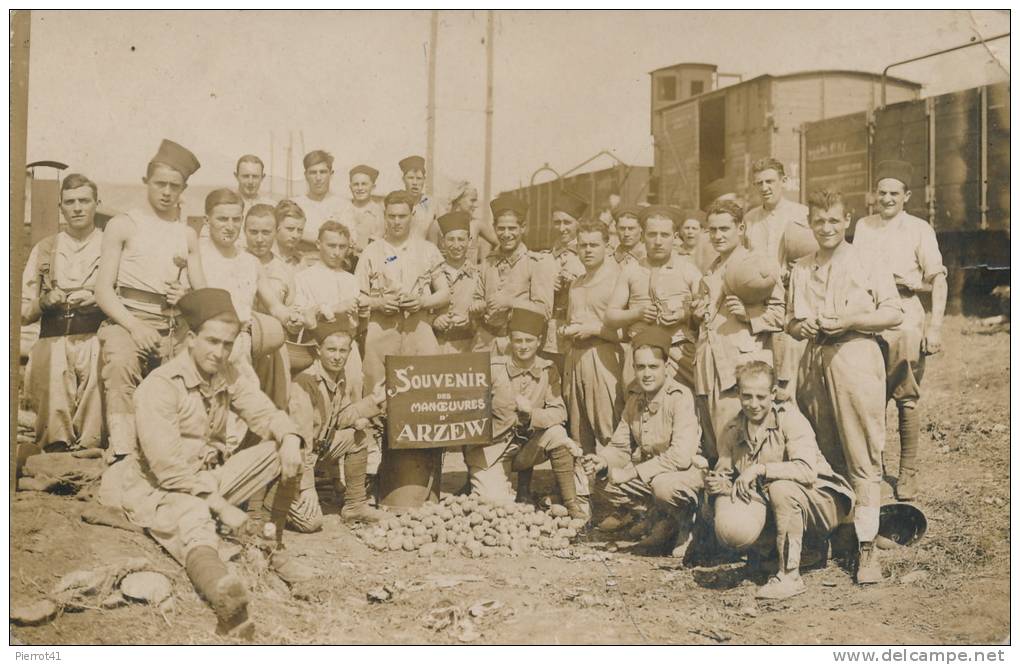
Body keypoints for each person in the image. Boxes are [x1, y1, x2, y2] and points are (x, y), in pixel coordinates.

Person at [119, 288, 305, 637]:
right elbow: (169, 470)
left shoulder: (227, 374)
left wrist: (290, 437)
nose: (220, 352)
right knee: (194, 515)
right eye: (212, 341)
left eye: (228, 344)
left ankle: (271, 540)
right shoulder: (159, 386)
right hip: (162, 489)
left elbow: (263, 412)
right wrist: (221, 507)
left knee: (281, 449)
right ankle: (223, 596)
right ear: (191, 339)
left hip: (209, 478)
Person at [787, 189, 903, 584]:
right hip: (814, 361)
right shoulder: (801, 267)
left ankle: (867, 548)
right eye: (819, 221)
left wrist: (853, 319)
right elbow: (791, 319)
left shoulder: (867, 260)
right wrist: (798, 326)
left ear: (847, 220)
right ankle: (835, 535)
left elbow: (892, 312)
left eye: (834, 220)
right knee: (824, 451)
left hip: (855, 357)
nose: (827, 228)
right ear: (810, 223)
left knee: (863, 454)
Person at [95, 139, 206, 505]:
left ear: (184, 190)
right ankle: (123, 455)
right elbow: (103, 291)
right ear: (147, 181)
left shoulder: (187, 234)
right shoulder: (124, 225)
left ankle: (175, 461)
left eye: (175, 186)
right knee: (122, 365)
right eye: (160, 184)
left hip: (174, 324)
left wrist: (185, 299)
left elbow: (201, 294)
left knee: (185, 378)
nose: (167, 192)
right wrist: (134, 326)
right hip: (128, 318)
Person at [708, 361, 854, 599]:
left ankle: (789, 576)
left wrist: (759, 469)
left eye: (761, 397)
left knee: (781, 488)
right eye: (747, 396)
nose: (753, 404)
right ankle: (775, 554)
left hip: (822, 502)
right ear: (737, 394)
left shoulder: (791, 420)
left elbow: (806, 471)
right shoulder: (732, 429)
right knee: (729, 509)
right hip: (778, 503)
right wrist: (718, 485)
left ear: (773, 394)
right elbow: (725, 475)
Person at [851, 160, 947, 501]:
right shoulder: (863, 226)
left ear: (906, 196)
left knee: (906, 396)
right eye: (882, 192)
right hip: (869, 313)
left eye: (894, 193)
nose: (887, 198)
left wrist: (934, 327)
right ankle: (872, 469)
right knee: (867, 396)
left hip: (905, 314)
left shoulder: (920, 229)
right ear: (874, 195)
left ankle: (907, 473)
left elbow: (938, 279)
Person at [583, 327, 706, 557]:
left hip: (684, 475)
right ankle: (658, 517)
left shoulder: (680, 397)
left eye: (653, 366)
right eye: (640, 367)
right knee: (602, 479)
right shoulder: (635, 399)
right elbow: (620, 446)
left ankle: (689, 526)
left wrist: (630, 473)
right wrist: (601, 461)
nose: (646, 374)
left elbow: (680, 456)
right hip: (652, 474)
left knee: (663, 487)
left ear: (666, 367)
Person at [464, 307, 589, 520]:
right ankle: (475, 480)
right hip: (492, 449)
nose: (523, 346)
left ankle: (571, 503)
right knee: (495, 506)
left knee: (558, 433)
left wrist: (532, 415)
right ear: (510, 341)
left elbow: (559, 412)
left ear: (539, 341)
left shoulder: (547, 369)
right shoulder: (491, 368)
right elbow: (466, 410)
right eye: (518, 340)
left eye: (529, 341)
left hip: (527, 448)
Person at [691, 199, 785, 461]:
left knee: (739, 442)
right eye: (712, 230)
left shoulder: (757, 264)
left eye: (724, 229)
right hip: (708, 365)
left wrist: (749, 316)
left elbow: (781, 314)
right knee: (713, 443)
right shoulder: (710, 269)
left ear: (740, 228)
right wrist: (695, 314)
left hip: (739, 364)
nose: (718, 236)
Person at [21, 173, 105, 451]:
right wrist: (45, 301)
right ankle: (55, 448)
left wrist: (97, 297)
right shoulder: (45, 249)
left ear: (96, 204)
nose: (77, 208)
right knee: (52, 384)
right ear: (61, 208)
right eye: (70, 202)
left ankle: (90, 450)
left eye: (84, 200)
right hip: (53, 339)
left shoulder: (110, 246)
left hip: (96, 336)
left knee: (97, 389)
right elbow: (23, 312)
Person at [289, 320, 388, 526]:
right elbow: (301, 442)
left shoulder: (337, 376)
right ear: (318, 350)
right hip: (292, 460)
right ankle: (278, 504)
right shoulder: (306, 382)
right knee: (311, 523)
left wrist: (373, 400)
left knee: (357, 437)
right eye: (331, 350)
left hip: (318, 451)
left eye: (343, 351)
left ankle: (355, 505)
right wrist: (307, 487)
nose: (337, 356)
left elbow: (343, 416)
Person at [355, 190, 450, 391]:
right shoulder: (371, 251)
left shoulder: (427, 250)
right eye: (392, 216)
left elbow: (444, 293)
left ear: (412, 215)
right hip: (381, 331)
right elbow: (357, 297)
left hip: (419, 329)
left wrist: (422, 302)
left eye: (402, 216)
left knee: (427, 390)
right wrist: (378, 303)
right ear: (385, 216)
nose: (396, 221)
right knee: (378, 394)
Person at [605, 205, 702, 389]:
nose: (658, 241)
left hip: (679, 352)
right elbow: (610, 317)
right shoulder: (630, 271)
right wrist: (637, 314)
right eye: (652, 234)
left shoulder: (688, 270)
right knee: (638, 412)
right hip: (641, 355)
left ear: (675, 237)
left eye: (664, 235)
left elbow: (704, 308)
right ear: (642, 236)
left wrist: (683, 314)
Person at [744, 158, 812, 403]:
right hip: (761, 301)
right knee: (764, 363)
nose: (765, 187)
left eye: (770, 181)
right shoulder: (750, 219)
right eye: (759, 183)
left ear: (783, 181)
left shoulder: (801, 214)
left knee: (792, 366)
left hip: (793, 297)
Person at [560, 220, 625, 456]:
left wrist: (595, 329)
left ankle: (615, 486)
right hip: (576, 358)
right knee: (578, 429)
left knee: (608, 424)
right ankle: (583, 487)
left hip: (605, 357)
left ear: (607, 247)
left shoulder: (619, 280)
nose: (587, 250)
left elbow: (628, 333)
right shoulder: (576, 283)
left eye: (594, 245)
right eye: (582, 245)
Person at [471, 194, 555, 355]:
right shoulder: (487, 263)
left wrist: (511, 302)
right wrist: (477, 306)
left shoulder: (536, 263)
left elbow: (544, 311)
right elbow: (477, 297)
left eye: (512, 228)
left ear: (523, 227)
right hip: (484, 343)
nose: (506, 234)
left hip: (518, 348)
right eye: (501, 228)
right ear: (494, 227)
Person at [293, 221, 365, 397]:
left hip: (348, 350)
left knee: (351, 393)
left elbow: (357, 322)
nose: (337, 252)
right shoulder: (304, 278)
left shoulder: (351, 279)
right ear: (319, 244)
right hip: (317, 349)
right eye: (331, 245)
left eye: (342, 247)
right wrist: (334, 309)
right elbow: (302, 316)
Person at [544, 191, 588, 369]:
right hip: (549, 332)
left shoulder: (587, 253)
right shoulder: (547, 257)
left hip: (578, 330)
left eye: (567, 222)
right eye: (557, 222)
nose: (561, 228)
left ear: (578, 223)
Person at [432, 211, 481, 354]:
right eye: (451, 239)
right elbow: (421, 308)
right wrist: (434, 320)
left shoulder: (478, 275)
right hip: (436, 347)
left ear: (469, 241)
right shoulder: (432, 274)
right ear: (442, 241)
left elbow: (485, 314)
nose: (456, 245)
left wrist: (470, 320)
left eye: (461, 239)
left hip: (469, 348)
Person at [433, 180, 499, 264]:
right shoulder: (437, 225)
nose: (476, 205)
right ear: (459, 199)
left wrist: (487, 266)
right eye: (472, 200)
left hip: (471, 276)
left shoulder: (477, 225)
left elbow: (499, 243)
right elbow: (429, 256)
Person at [293, 150, 349, 248]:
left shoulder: (344, 205)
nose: (318, 178)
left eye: (323, 172)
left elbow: (349, 240)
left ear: (331, 174)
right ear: (306, 175)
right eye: (313, 172)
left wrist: (303, 236)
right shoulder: (295, 204)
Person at [340, 164, 384, 254]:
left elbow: (378, 242)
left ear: (373, 187)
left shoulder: (379, 212)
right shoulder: (343, 209)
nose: (360, 188)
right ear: (350, 187)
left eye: (364, 184)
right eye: (356, 184)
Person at [398, 155, 436, 241]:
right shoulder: (396, 202)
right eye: (410, 178)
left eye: (419, 178)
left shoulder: (432, 204)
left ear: (424, 180)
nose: (415, 183)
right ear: (403, 179)